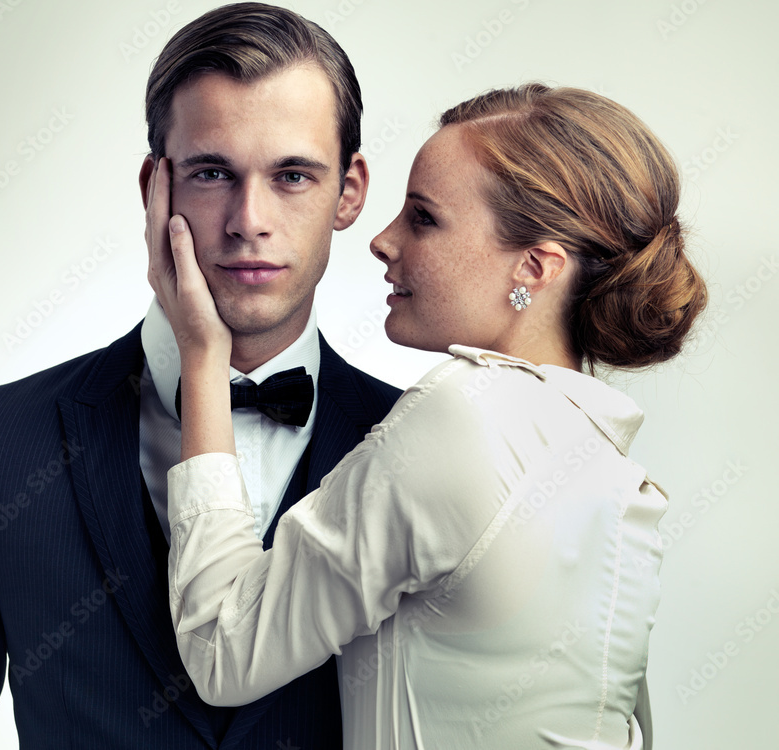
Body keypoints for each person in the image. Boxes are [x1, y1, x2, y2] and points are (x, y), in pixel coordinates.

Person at [0, 4, 402, 748]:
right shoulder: (2, 441)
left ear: (351, 191)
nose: (249, 220)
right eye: (212, 173)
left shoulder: (411, 440)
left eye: (293, 175)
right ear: (155, 185)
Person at [149, 83, 707, 749]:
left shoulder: (469, 413)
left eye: (423, 218)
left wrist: (204, 357)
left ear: (534, 266)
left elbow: (222, 647)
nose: (382, 241)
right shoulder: (605, 458)